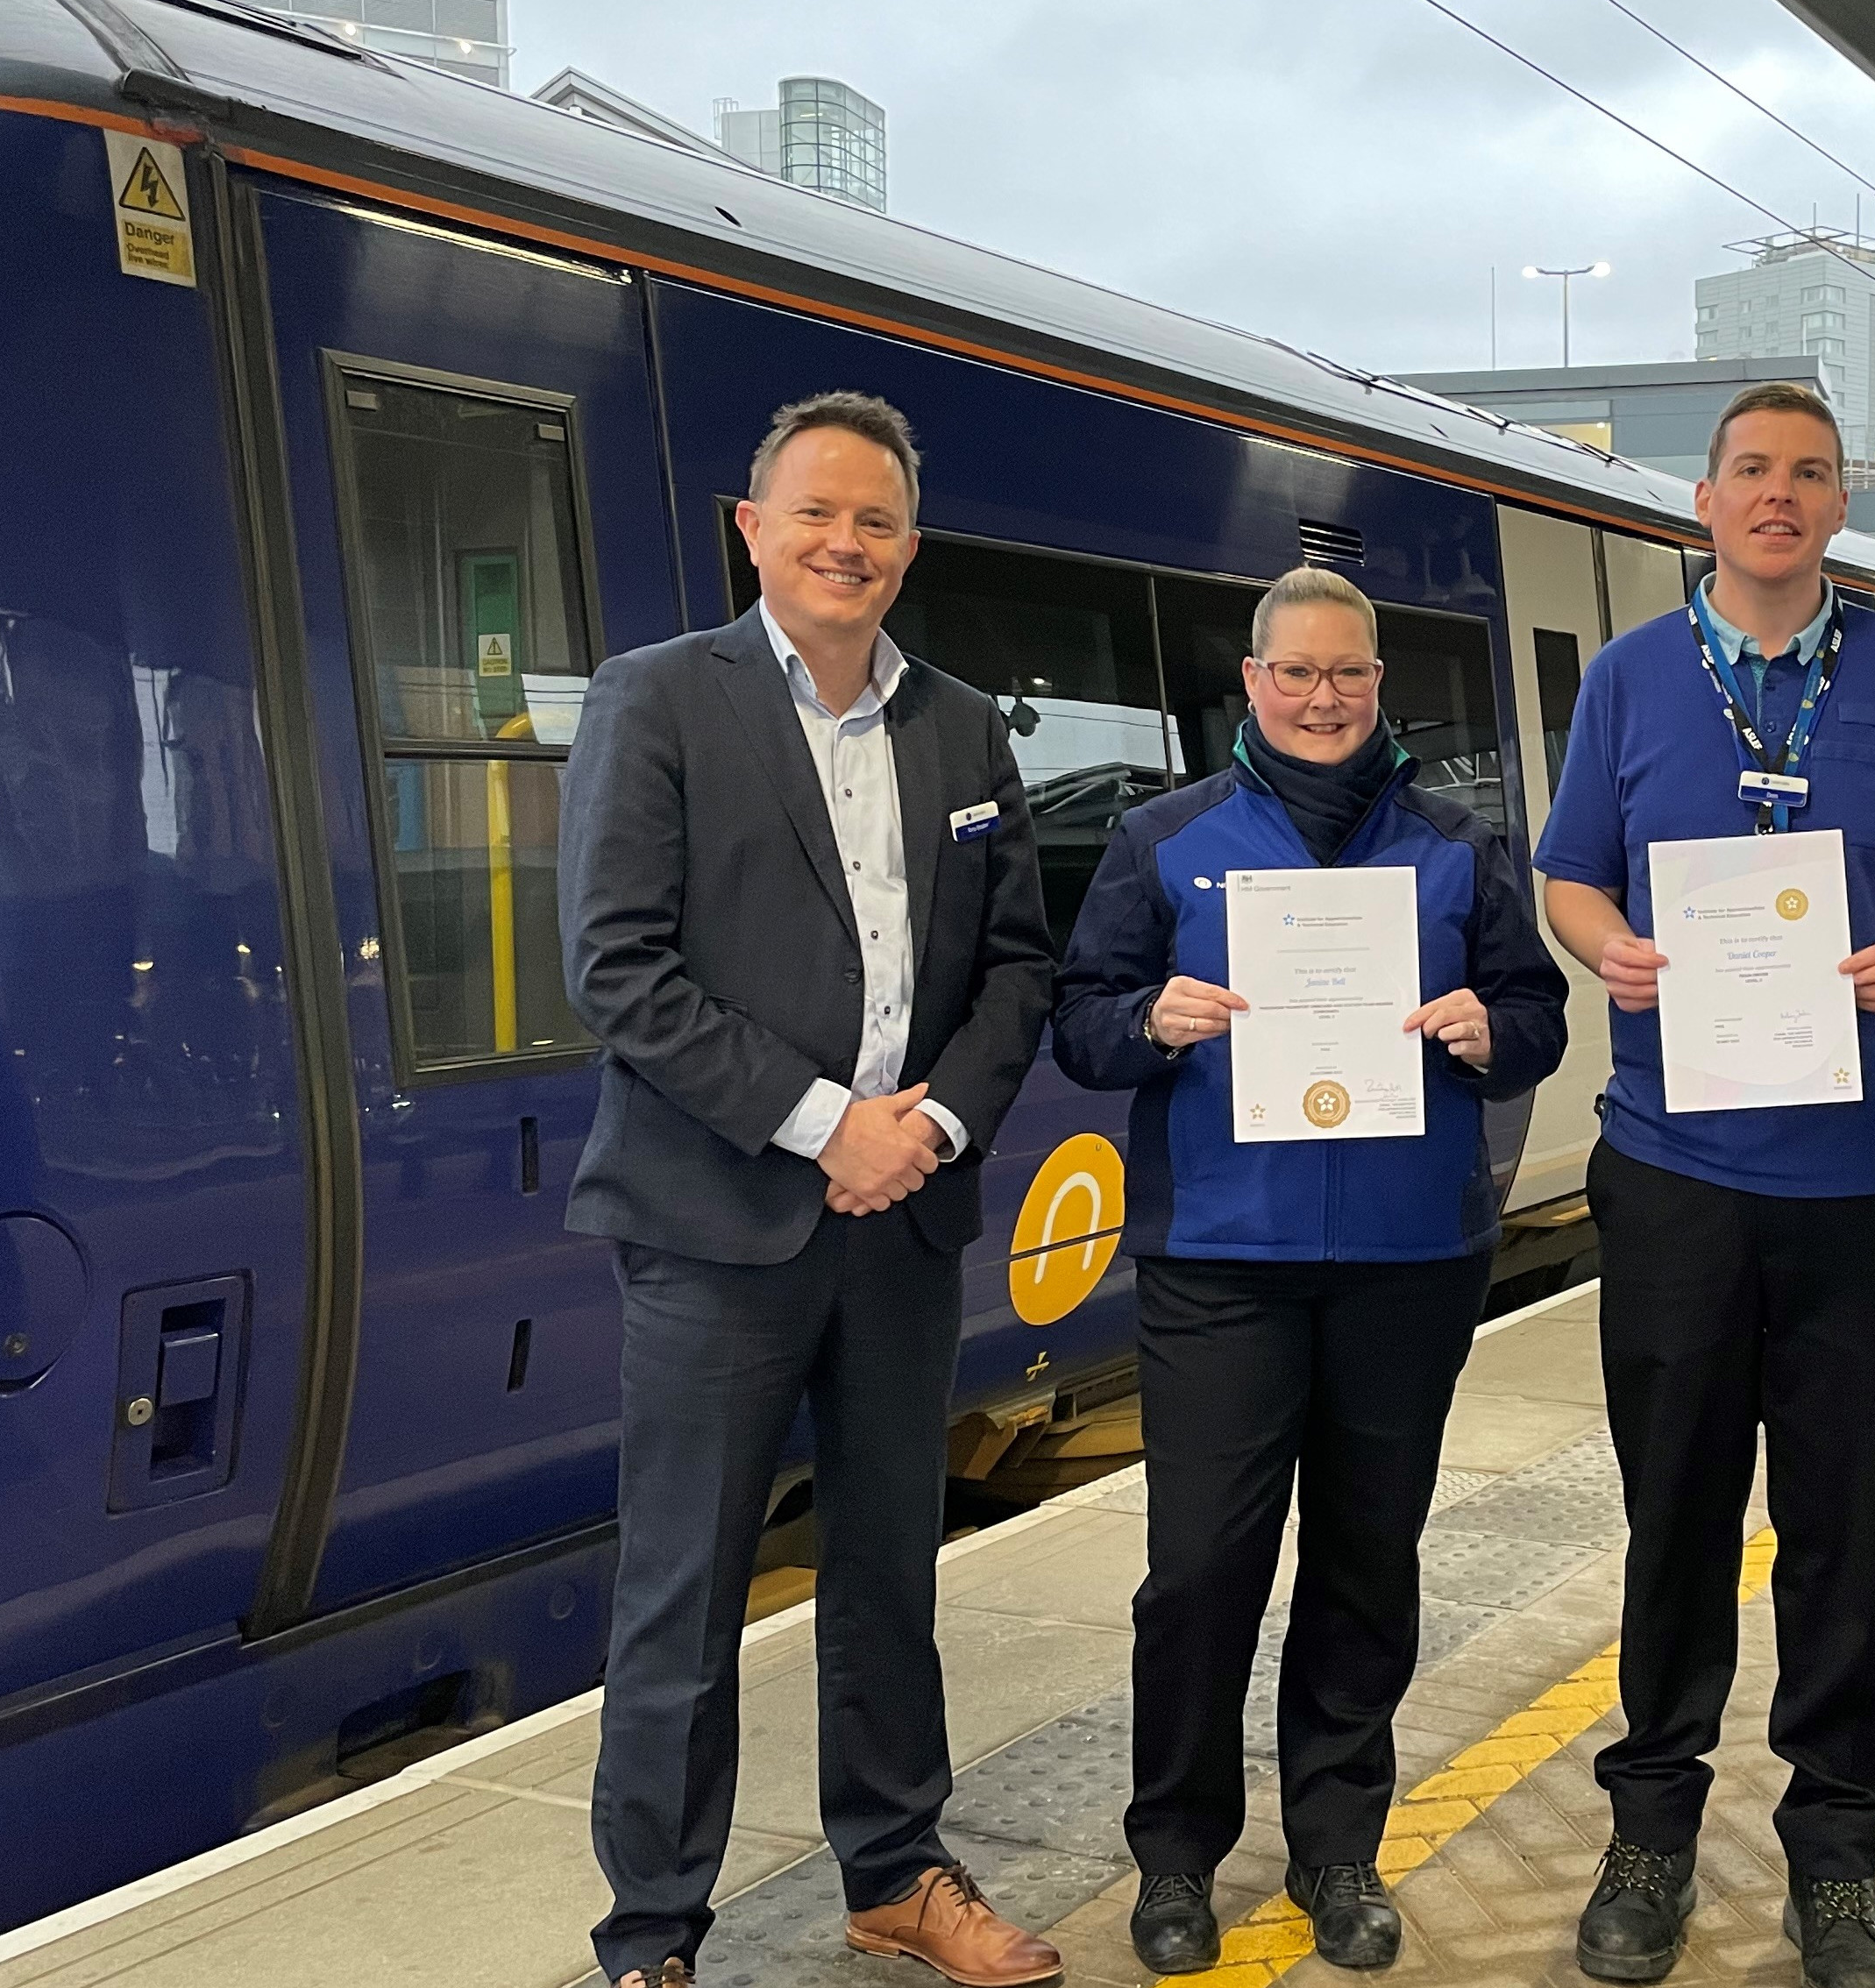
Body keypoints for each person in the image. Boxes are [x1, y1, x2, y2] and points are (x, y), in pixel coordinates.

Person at [559, 392, 1060, 1988]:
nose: (848, 544)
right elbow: (618, 970)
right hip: (716, 1222)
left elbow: (1017, 967)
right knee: (682, 1592)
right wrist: (821, 1122)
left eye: (879, 522)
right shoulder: (657, 702)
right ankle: (651, 1930)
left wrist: (927, 1135)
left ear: (910, 548)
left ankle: (896, 1869)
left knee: (888, 1568)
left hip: (905, 1218)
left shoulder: (965, 727)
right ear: (751, 529)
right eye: (817, 516)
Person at [1530, 380, 1875, 1988]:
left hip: (1862, 1173)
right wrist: (1618, 953)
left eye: (1808, 473)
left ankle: (1839, 1850)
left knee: (1842, 1521)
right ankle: (1651, 1831)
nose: (1778, 495)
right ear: (1706, 502)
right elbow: (1569, 873)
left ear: (1837, 504)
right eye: (1751, 471)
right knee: (1676, 1514)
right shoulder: (1632, 681)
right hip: (1673, 1169)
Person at [1051, 564, 1570, 1976]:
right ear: (1255, 684)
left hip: (1410, 1261)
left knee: (1365, 1560)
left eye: (1350, 674)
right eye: (1298, 674)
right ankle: (1175, 1857)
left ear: (1379, 686)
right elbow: (1081, 1024)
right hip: (1223, 1261)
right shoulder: (1165, 840)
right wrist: (1149, 1020)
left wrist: (1486, 1028)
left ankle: (1339, 1850)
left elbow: (1540, 1018)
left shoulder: (1459, 845)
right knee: (1200, 1571)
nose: (1324, 697)